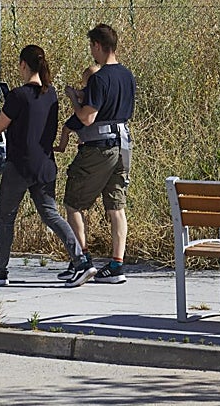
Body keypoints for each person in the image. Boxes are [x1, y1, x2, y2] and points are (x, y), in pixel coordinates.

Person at [0, 44, 88, 287]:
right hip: (45, 165)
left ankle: (0, 271)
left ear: (24, 65)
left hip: (20, 166)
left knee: (6, 217)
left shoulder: (17, 95)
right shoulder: (51, 94)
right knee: (51, 215)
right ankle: (81, 262)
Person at [57, 23, 136, 287]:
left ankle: (83, 262)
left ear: (98, 46)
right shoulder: (127, 75)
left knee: (73, 204)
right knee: (116, 206)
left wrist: (74, 99)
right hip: (123, 144)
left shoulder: (100, 78)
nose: (91, 52)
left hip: (99, 148)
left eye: (92, 46)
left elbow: (87, 117)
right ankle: (116, 265)